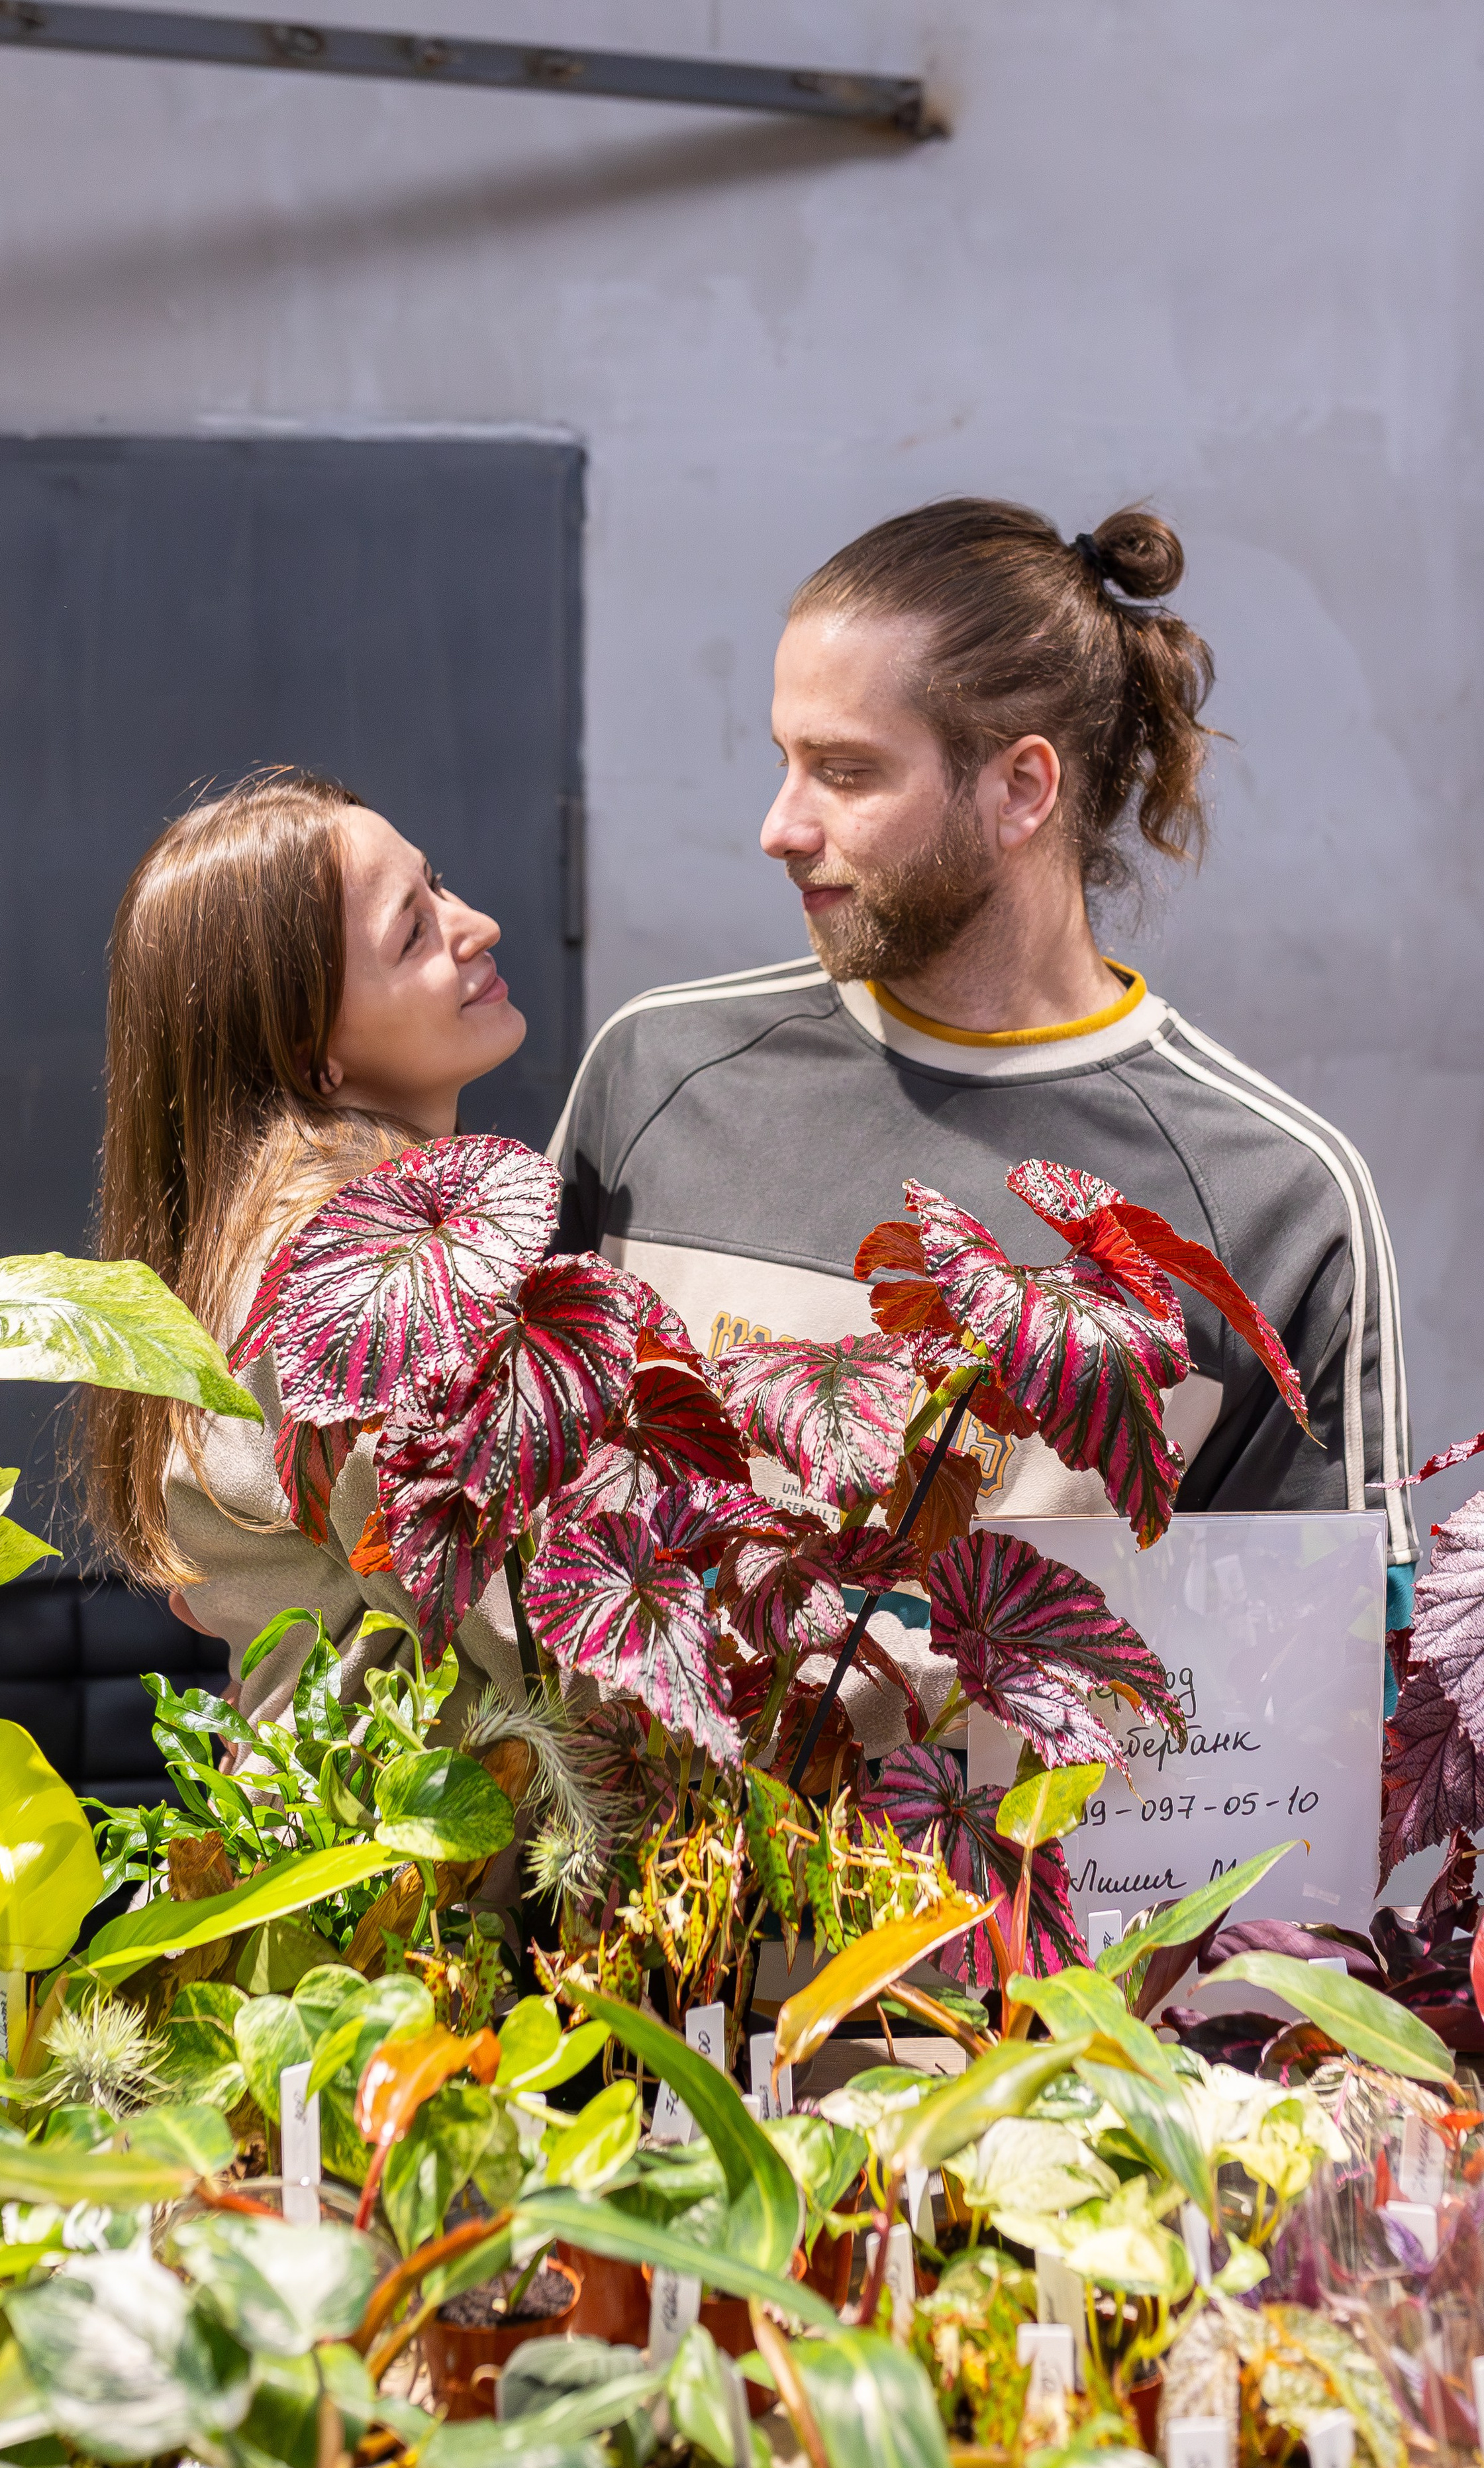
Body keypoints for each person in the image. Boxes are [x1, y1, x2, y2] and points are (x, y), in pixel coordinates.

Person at [549, 500, 1415, 1699]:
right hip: (648, 1877)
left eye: (846, 772)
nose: (778, 827)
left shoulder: (1275, 1195)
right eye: (784, 760)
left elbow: (1308, 1713)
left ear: (1020, 788)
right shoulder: (654, 1073)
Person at [77, 767, 529, 1727]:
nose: (476, 923)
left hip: (338, 1835)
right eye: (414, 931)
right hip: (419, 1856)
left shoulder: (270, 1225)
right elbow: (530, 1629)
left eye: (438, 885)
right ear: (305, 1044)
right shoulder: (363, 1261)